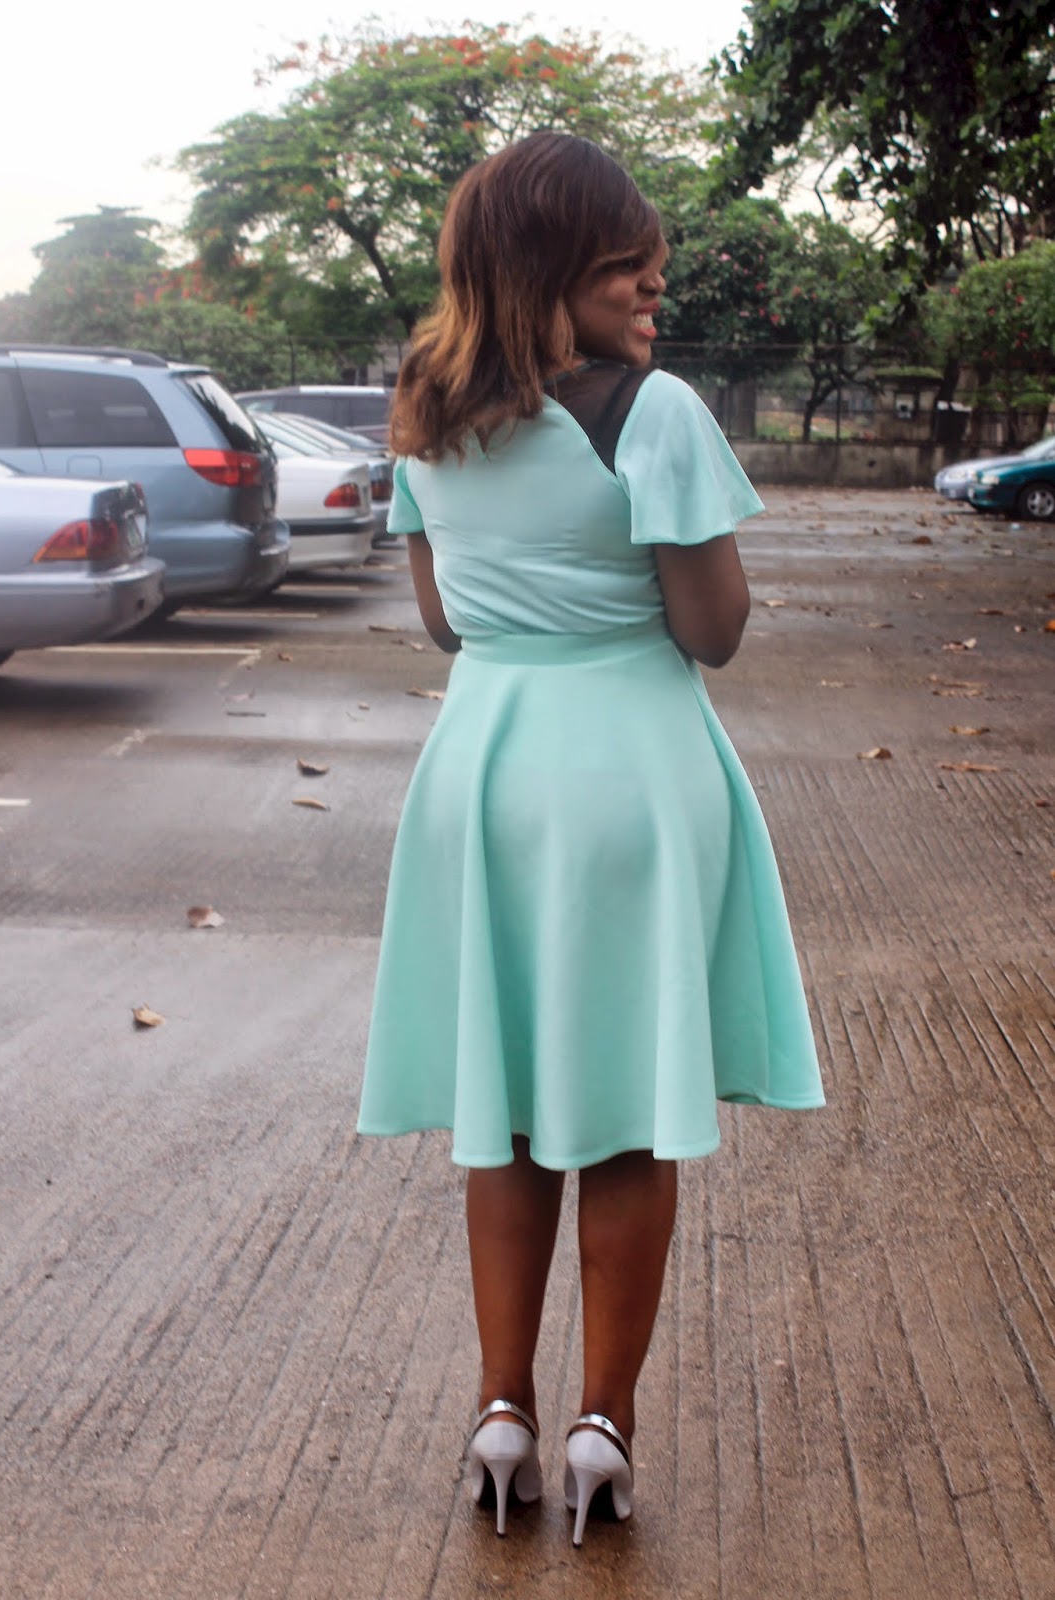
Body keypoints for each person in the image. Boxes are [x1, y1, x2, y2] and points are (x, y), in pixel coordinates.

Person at [357, 131, 825, 1547]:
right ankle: (600, 1426)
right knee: (623, 1120)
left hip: (482, 773)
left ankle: (498, 1410)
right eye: (628, 267)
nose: (652, 292)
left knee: (504, 1115)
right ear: (553, 270)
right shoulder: (653, 413)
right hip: (628, 774)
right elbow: (711, 630)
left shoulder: (424, 409)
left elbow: (443, 620)